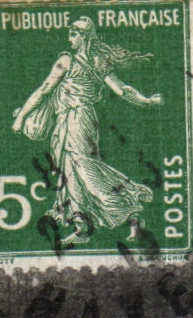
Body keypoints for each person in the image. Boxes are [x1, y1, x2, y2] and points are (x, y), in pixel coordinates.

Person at [10, 18, 163, 246]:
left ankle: (128, 208)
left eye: (73, 34)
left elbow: (44, 90)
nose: (69, 39)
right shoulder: (99, 62)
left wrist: (22, 117)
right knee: (70, 169)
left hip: (76, 119)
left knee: (84, 168)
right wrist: (147, 101)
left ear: (85, 36)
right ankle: (82, 225)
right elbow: (123, 90)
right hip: (73, 120)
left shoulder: (67, 60)